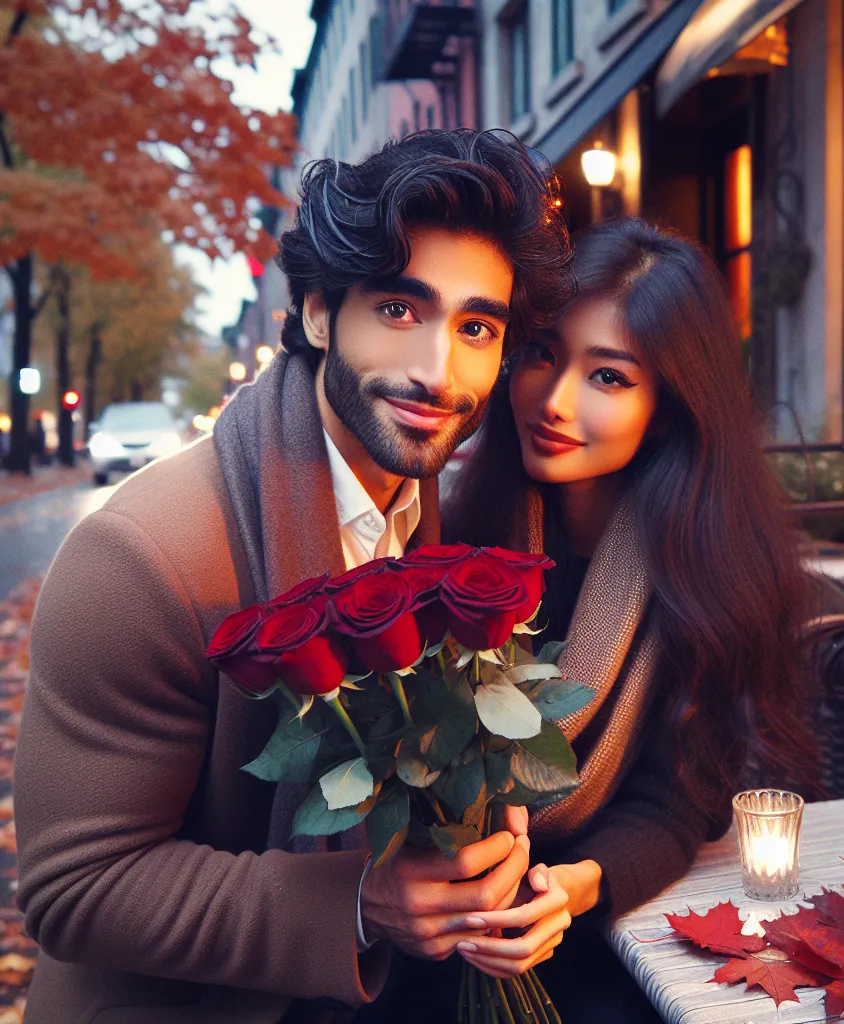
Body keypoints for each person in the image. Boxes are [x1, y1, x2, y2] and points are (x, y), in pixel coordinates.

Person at [13, 129, 574, 1024]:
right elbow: (75, 889)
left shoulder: (417, 497)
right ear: (318, 313)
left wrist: (483, 854)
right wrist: (358, 903)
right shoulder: (139, 559)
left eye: (476, 328)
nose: (438, 372)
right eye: (399, 309)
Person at [437, 219, 820, 1021]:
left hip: (604, 923)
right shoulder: (449, 538)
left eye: (609, 377)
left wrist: (572, 888)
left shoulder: (712, 570)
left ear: (670, 406)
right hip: (445, 921)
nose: (555, 401)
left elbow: (680, 800)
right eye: (541, 355)